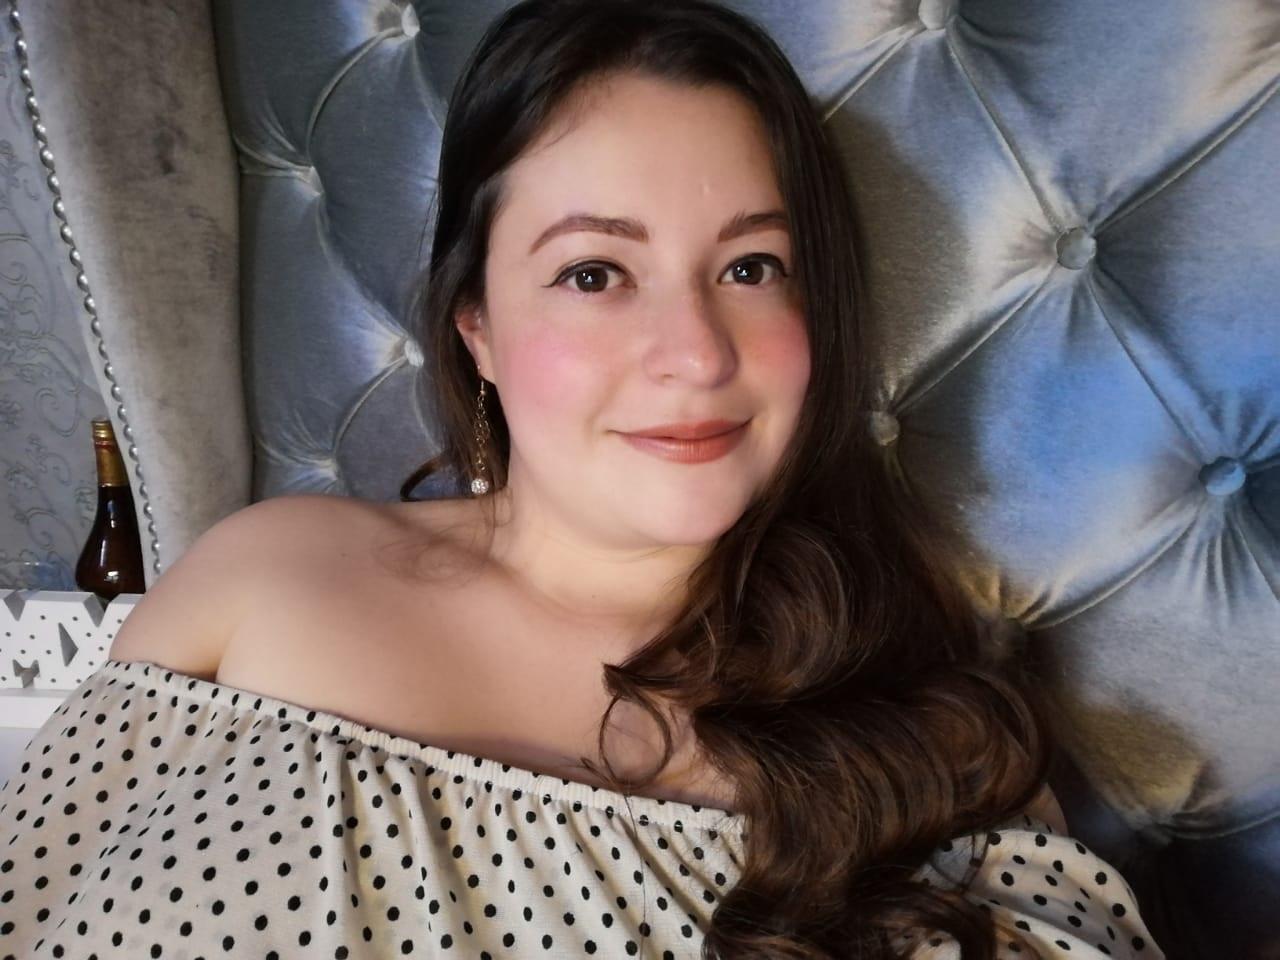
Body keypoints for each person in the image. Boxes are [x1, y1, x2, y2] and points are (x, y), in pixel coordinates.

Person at [0, 1, 1165, 958]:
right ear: (477, 328)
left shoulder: (923, 729)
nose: (697, 354)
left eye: (751, 267)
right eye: (595, 273)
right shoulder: (263, 568)